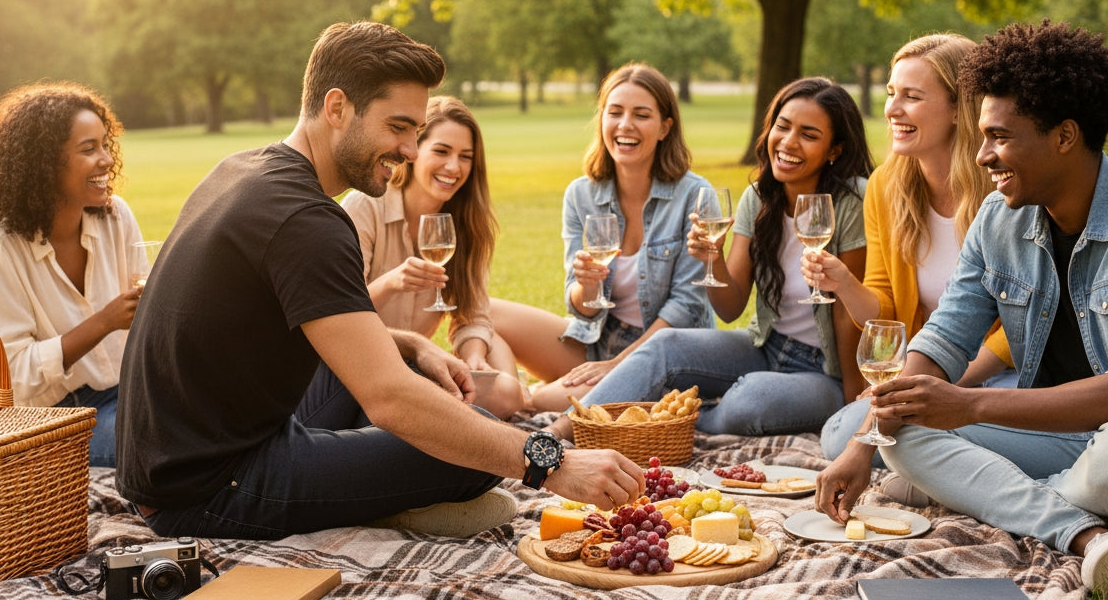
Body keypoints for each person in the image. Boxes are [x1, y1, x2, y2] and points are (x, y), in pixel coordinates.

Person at [116, 22, 644, 540]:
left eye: (415, 130)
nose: (411, 150)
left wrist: (411, 343)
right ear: (337, 107)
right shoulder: (307, 221)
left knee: (462, 423)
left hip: (182, 457)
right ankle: (374, 503)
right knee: (478, 451)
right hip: (207, 488)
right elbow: (389, 400)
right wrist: (553, 464)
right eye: (397, 127)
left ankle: (364, 485)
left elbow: (293, 325)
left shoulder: (245, 169)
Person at [814, 20, 1108, 593]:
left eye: (998, 137)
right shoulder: (999, 220)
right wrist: (861, 444)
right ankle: (1082, 533)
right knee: (895, 434)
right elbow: (942, 340)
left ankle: (1022, 490)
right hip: (1049, 429)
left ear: (1065, 136)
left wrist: (969, 406)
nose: (981, 156)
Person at [553, 77, 874, 439]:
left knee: (748, 398)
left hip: (825, 371)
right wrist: (714, 260)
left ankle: (672, 423)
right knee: (664, 347)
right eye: (782, 127)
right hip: (765, 346)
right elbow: (730, 307)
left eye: (809, 135)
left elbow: (849, 317)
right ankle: (562, 430)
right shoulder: (759, 198)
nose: (788, 142)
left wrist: (852, 401)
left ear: (835, 149)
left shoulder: (851, 202)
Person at [802, 35, 1015, 463]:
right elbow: (884, 313)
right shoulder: (886, 186)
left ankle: (940, 467)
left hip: (1003, 377)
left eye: (912, 97)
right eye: (891, 94)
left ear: (959, 108)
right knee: (839, 433)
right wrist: (844, 283)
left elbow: (1020, 324)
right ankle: (951, 469)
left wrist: (943, 389)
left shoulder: (1004, 188)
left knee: (879, 435)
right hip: (928, 371)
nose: (892, 110)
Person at [489, 63, 716, 414]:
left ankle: (523, 399)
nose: (625, 125)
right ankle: (504, 392)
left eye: (641, 115)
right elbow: (580, 307)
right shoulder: (581, 195)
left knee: (544, 401)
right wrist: (587, 285)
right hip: (600, 339)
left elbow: (687, 308)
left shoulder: (695, 195)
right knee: (483, 312)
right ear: (602, 121)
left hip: (666, 352)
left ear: (664, 128)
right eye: (615, 113)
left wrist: (618, 365)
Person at [0, 82, 145, 468]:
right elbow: (12, 376)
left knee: (218, 412)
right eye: (88, 149)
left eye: (104, 145)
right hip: (50, 420)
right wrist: (104, 322)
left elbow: (148, 314)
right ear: (44, 163)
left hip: (129, 393)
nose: (107, 160)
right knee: (164, 443)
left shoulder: (116, 217)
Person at [342, 96, 529, 420]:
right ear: (413, 152)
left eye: (465, 157)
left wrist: (473, 356)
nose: (454, 167)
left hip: (417, 369)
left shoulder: (466, 225)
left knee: (506, 393)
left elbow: (473, 315)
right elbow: (338, 315)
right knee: (447, 412)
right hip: (355, 370)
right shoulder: (365, 207)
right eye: (441, 151)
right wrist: (390, 283)